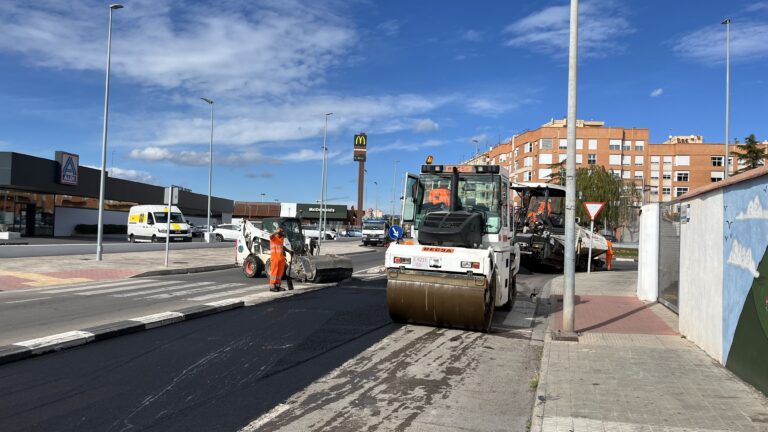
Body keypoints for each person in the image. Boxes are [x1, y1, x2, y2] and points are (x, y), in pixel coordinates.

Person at [269, 226, 287, 292]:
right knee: (274, 273)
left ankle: (277, 286)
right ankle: (272, 286)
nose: (283, 232)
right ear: (278, 232)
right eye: (282, 231)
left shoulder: (281, 238)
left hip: (281, 259)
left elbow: (282, 246)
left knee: (279, 274)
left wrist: (289, 251)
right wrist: (276, 232)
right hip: (275, 259)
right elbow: (270, 235)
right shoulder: (273, 238)